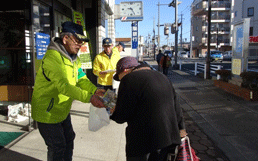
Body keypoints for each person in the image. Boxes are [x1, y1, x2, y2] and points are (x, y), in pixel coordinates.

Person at [31, 21, 105, 161]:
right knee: (57, 146)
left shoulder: (74, 58)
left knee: (69, 139)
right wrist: (89, 98)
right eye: (77, 41)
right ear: (65, 39)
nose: (80, 45)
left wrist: (95, 90)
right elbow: (63, 86)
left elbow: (81, 78)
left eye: (81, 42)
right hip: (47, 111)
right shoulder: (53, 57)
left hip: (62, 109)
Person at [111, 56, 187, 161]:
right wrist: (181, 129)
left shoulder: (128, 79)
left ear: (124, 70)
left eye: (120, 77)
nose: (121, 80)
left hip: (142, 143)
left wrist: (114, 112)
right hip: (168, 139)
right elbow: (176, 107)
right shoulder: (163, 77)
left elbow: (121, 117)